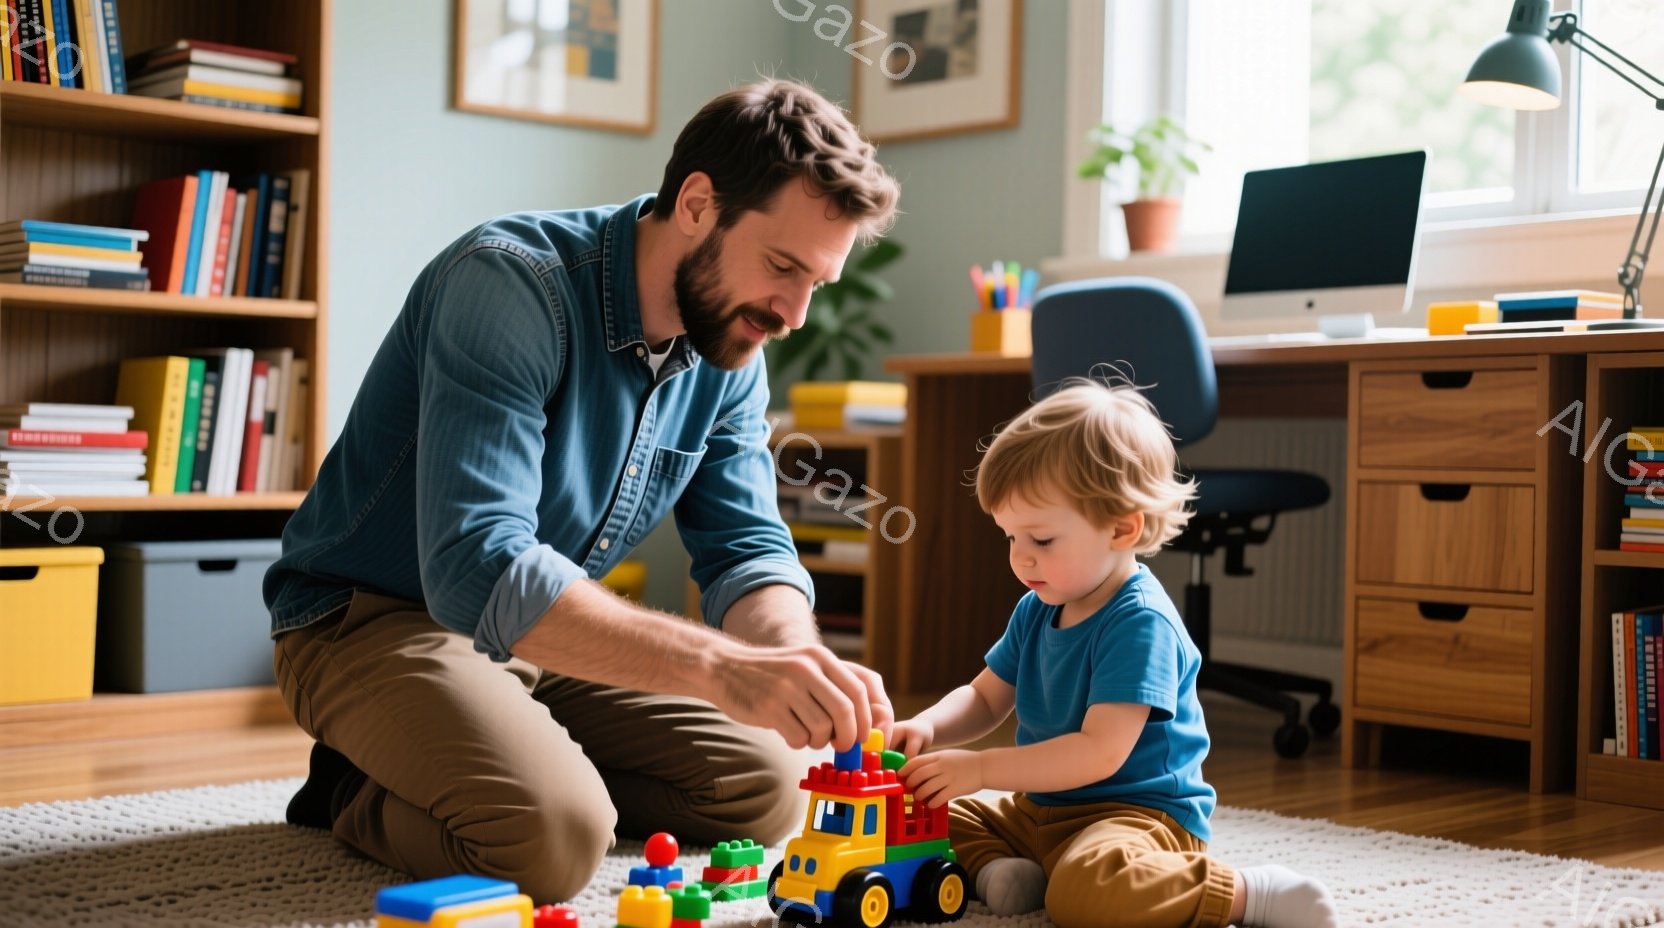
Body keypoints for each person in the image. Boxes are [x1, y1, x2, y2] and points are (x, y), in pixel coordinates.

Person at [262, 79, 900, 903]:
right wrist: (720, 666)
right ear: (699, 205)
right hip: (367, 620)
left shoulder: (730, 344)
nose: (795, 312)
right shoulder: (508, 286)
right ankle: (353, 787)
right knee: (554, 843)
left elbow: (745, 549)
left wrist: (791, 657)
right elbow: (475, 568)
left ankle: (509, 755)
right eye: (783, 267)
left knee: (765, 786)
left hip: (536, 639)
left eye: (818, 282)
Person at [889, 379, 1339, 928]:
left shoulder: (1139, 621)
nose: (1021, 561)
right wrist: (928, 729)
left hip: (1136, 821)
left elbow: (1099, 754)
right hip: (1041, 810)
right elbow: (984, 699)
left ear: (1121, 528)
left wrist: (982, 767)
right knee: (922, 813)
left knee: (1086, 894)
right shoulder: (1039, 605)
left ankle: (1250, 893)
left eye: (1042, 541)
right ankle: (1003, 869)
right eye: (1010, 539)